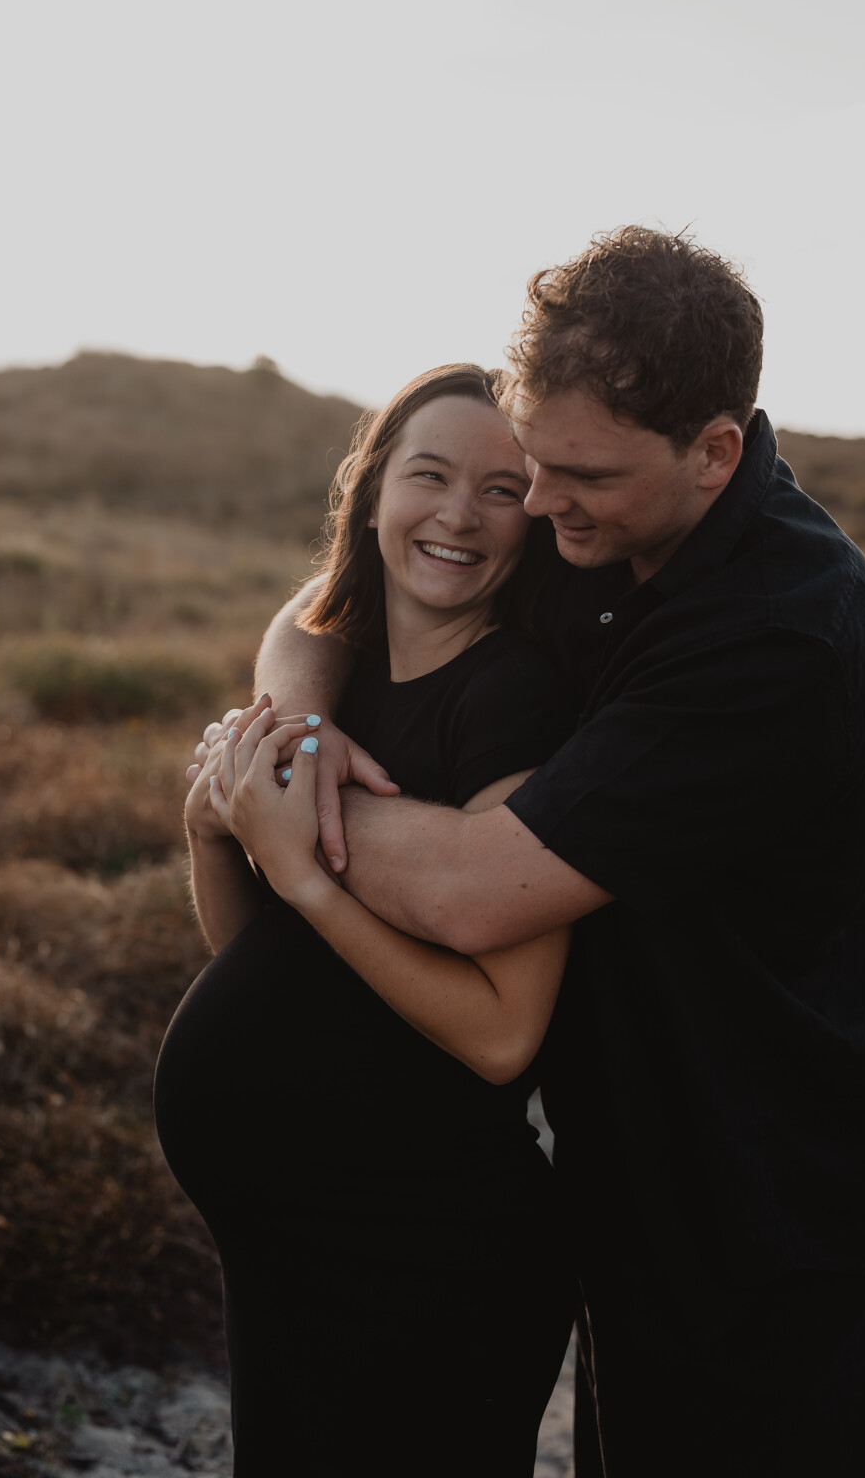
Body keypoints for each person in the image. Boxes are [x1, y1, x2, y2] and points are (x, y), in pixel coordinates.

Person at [221, 227, 865, 1478]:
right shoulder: (599, 519)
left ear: (714, 452)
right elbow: (326, 606)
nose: (537, 505)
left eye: (575, 475)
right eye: (531, 463)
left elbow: (476, 889)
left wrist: (275, 808)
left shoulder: (776, 634)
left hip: (759, 1196)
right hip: (621, 1157)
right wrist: (304, 733)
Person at [154, 364, 576, 1478]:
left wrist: (307, 881)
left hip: (424, 1260)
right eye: (428, 475)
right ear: (371, 489)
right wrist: (213, 838)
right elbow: (272, 972)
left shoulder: (515, 703)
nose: (457, 514)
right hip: (292, 1248)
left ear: (536, 518)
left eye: (501, 489)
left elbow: (503, 1035)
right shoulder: (340, 690)